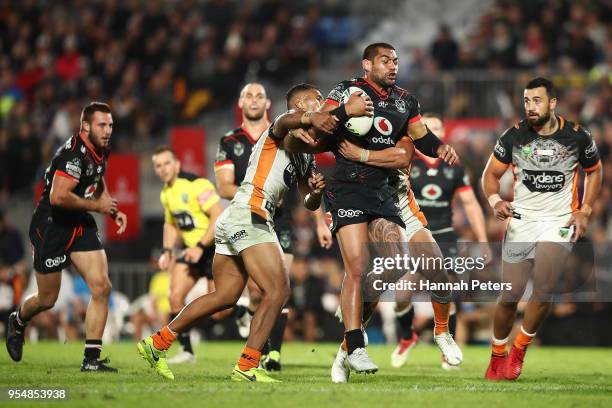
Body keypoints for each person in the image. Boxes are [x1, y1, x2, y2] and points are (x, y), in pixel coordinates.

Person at [137, 83, 368, 382]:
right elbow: (286, 121)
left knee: (226, 296)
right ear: (300, 104)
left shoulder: (304, 153)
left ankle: (157, 343)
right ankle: (247, 365)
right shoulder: (283, 128)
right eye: (317, 99)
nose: (323, 102)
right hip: (249, 213)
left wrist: (313, 192)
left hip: (240, 216)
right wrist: (342, 110)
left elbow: (307, 199)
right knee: (279, 290)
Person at [318, 42, 461, 379]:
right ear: (367, 64)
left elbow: (417, 141)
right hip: (352, 191)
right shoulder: (346, 91)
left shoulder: (405, 101)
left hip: (394, 197)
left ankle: (441, 332)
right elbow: (322, 124)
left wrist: (440, 148)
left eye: (396, 60)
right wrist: (342, 115)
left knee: (433, 269)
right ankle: (349, 349)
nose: (393, 65)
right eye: (385, 60)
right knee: (364, 272)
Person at [482, 77, 602, 380]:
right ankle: (498, 354)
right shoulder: (513, 136)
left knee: (545, 287)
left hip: (558, 221)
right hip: (522, 221)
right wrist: (496, 200)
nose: (530, 106)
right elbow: (490, 176)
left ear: (552, 103)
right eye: (526, 100)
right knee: (510, 295)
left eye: (537, 100)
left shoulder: (576, 135)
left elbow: (595, 171)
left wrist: (584, 210)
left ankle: (519, 350)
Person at [5, 102, 127, 372]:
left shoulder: (99, 149)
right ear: (85, 126)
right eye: (101, 125)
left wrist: (110, 208)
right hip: (51, 227)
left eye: (110, 125)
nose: (107, 131)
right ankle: (18, 320)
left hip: (79, 224)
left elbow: (97, 179)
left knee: (101, 287)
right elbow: (58, 197)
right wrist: (98, 207)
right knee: (48, 299)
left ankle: (91, 360)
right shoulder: (72, 155)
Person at [387, 113, 491, 370]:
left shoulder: (453, 167)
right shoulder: (406, 160)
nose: (431, 131)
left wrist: (483, 239)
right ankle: (407, 336)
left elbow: (470, 203)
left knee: (447, 289)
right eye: (426, 128)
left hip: (444, 235)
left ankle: (447, 348)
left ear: (441, 133)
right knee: (402, 294)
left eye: (435, 128)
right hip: (413, 232)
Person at [214, 83, 293, 370]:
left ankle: (273, 355)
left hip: (281, 217)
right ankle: (255, 353)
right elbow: (223, 187)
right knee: (263, 289)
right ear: (240, 102)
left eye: (260, 95)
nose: (255, 100)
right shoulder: (229, 140)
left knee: (281, 287)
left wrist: (320, 220)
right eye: (249, 94)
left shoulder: (284, 134)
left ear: (268, 103)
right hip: (250, 214)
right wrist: (258, 191)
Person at [152, 146, 223, 364]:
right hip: (192, 251)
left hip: (213, 248)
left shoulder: (197, 184)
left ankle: (240, 311)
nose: (163, 169)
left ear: (177, 165)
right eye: (158, 165)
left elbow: (218, 215)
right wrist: (167, 250)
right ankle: (187, 351)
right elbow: (171, 224)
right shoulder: (166, 192)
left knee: (219, 311)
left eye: (167, 163)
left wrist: (201, 246)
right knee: (174, 297)